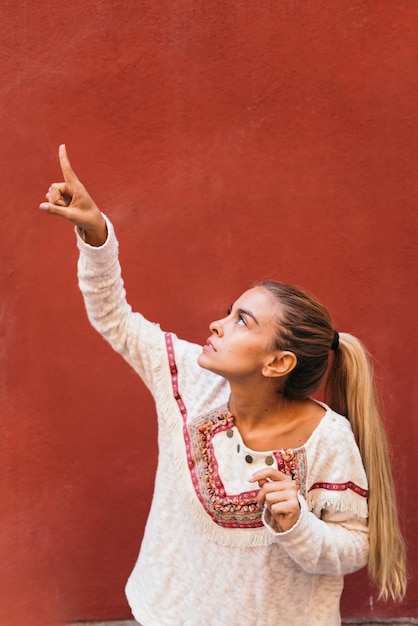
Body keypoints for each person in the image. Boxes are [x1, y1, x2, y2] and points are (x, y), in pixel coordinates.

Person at [39, 145, 407, 626]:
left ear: (278, 362)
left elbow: (355, 545)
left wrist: (297, 524)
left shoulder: (328, 437)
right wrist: (95, 233)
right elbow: (115, 319)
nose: (216, 324)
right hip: (169, 613)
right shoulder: (190, 378)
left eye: (241, 321)